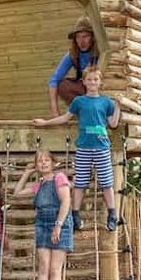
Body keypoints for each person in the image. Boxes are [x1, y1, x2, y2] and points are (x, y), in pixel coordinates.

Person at [33, 66, 119, 231]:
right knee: (80, 182)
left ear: (100, 82)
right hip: (84, 148)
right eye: (89, 79)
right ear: (84, 82)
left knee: (106, 182)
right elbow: (65, 118)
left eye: (96, 79)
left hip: (101, 148)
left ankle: (112, 214)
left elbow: (113, 124)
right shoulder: (79, 101)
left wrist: (118, 107)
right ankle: (75, 214)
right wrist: (45, 123)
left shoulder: (106, 102)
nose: (92, 82)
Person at [13, 150, 73, 280]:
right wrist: (26, 173)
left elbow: (65, 202)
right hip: (41, 223)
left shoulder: (59, 178)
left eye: (47, 160)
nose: (43, 163)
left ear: (54, 163)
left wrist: (58, 226)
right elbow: (17, 193)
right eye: (39, 161)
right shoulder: (39, 184)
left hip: (59, 222)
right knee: (43, 268)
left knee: (55, 269)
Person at [47, 16, 99, 117]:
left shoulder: (100, 51)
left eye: (85, 36)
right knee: (63, 85)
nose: (81, 41)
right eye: (78, 37)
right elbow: (54, 80)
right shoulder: (73, 54)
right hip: (85, 90)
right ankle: (84, 111)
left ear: (92, 37)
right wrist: (55, 112)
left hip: (100, 89)